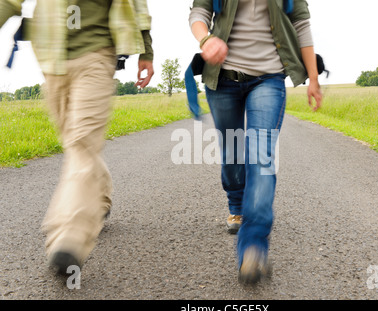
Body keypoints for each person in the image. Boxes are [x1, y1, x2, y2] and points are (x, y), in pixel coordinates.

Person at [0, 0, 154, 276]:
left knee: (82, 143)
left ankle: (70, 237)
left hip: (97, 53)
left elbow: (136, 6)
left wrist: (147, 51)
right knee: (76, 144)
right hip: (51, 57)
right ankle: (101, 196)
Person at [189, 0, 322, 284]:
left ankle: (253, 245)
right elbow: (199, 12)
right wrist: (206, 38)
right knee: (233, 154)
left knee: (261, 158)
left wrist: (313, 77)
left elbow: (301, 25)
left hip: (269, 79)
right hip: (221, 79)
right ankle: (237, 205)